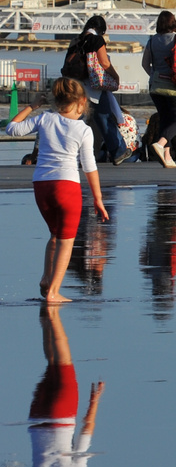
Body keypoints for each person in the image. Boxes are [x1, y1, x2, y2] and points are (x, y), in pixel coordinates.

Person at [6, 78, 110, 303]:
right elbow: (89, 167)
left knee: (55, 234)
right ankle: (53, 292)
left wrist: (32, 107)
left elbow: (11, 129)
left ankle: (46, 278)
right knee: (67, 240)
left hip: (41, 186)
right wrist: (98, 199)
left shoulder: (45, 118)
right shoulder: (83, 129)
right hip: (67, 187)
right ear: (82, 102)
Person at [5, 306, 103, 467]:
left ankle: (53, 311)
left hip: (62, 415)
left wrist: (95, 400)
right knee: (52, 362)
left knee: (64, 361)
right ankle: (46, 316)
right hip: (36, 418)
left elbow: (87, 431)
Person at [62, 15, 132, 165]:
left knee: (77, 120)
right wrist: (115, 76)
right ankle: (118, 151)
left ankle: (71, 153)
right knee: (105, 118)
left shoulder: (75, 41)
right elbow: (104, 63)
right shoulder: (96, 40)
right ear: (100, 30)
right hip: (94, 87)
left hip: (76, 86)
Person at [140, 9, 176, 168]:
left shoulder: (151, 41)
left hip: (156, 88)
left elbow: (144, 64)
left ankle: (167, 156)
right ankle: (160, 144)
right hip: (174, 86)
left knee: (165, 119)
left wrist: (154, 75)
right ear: (173, 23)